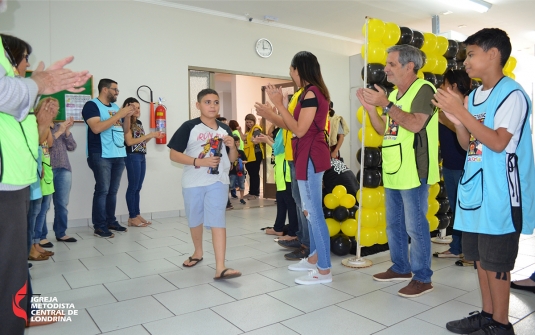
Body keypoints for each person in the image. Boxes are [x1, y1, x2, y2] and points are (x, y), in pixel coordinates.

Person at [433, 28, 535, 335]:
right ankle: (488, 314)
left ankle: (502, 324)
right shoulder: (475, 96)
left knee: (497, 261)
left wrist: (460, 114)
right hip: (475, 190)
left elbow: (498, 143)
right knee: (478, 258)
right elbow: (469, 145)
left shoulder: (513, 94)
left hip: (501, 194)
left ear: (493, 54)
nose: (465, 61)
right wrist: (456, 119)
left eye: (471, 54)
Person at [0, 30, 90, 333]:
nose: (27, 67)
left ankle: (23, 309)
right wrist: (37, 85)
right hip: (6, 183)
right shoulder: (15, 87)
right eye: (24, 61)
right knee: (11, 265)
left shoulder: (21, 95)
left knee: (15, 261)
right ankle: (17, 315)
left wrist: (34, 91)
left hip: (18, 180)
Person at [357, 44, 439, 298]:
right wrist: (373, 109)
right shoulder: (395, 95)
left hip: (414, 170)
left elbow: (415, 124)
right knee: (394, 224)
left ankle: (423, 277)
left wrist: (385, 104)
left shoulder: (424, 90)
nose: (385, 69)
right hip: (394, 169)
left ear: (409, 66)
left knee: (415, 226)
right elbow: (384, 131)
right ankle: (401, 267)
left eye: (391, 64)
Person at [259, 51, 332, 285]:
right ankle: (313, 259)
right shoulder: (307, 94)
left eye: (291, 70)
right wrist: (274, 112)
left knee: (314, 213)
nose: (290, 75)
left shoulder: (313, 93)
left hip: (310, 154)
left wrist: (279, 104)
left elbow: (299, 130)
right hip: (304, 153)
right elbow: (292, 126)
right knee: (310, 211)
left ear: (298, 69)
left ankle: (324, 270)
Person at [168, 88, 241, 280]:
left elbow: (232, 158)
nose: (212, 106)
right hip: (193, 182)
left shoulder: (225, 129)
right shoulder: (189, 126)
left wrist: (233, 146)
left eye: (216, 102)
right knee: (195, 219)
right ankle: (198, 252)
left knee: (218, 220)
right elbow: (173, 154)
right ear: (198, 105)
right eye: (207, 102)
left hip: (218, 181)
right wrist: (198, 162)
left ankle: (220, 267)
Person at [257, 86, 310, 259]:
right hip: (282, 172)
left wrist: (267, 138)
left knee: (295, 205)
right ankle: (284, 230)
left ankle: (297, 236)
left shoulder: (290, 127)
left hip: (288, 171)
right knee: (284, 202)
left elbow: (279, 147)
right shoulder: (282, 128)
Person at [82, 79, 134, 238]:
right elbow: (96, 128)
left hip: (118, 154)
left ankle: (111, 221)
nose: (117, 92)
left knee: (113, 191)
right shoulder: (92, 106)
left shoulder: (115, 107)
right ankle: (99, 226)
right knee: (102, 190)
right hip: (100, 154)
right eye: (115, 89)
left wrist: (127, 118)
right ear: (105, 89)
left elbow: (124, 130)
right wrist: (119, 114)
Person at [432, 70, 471, 264]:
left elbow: (465, 130)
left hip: (463, 166)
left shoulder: (467, 104)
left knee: (466, 210)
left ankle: (470, 251)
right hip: (449, 164)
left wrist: (443, 117)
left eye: (444, 83)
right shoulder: (445, 108)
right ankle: (457, 248)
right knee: (457, 210)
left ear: (454, 86)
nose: (441, 87)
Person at [122, 97, 162, 227]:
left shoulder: (138, 122)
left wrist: (152, 136)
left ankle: (137, 214)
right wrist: (148, 136)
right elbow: (129, 142)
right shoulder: (125, 121)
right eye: (134, 108)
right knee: (133, 187)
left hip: (141, 155)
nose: (137, 110)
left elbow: (141, 141)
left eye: (138, 107)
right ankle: (132, 217)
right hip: (132, 156)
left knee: (137, 188)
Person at [254, 132, 298, 238]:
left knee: (290, 204)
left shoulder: (286, 129)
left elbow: (277, 149)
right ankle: (278, 228)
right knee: (281, 201)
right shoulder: (281, 130)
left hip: (285, 172)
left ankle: (293, 233)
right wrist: (268, 139)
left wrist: (266, 140)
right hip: (280, 172)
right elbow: (278, 145)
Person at [49, 112, 77, 243]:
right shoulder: (39, 127)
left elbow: (72, 146)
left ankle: (61, 233)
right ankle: (40, 237)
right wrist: (59, 131)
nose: (53, 111)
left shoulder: (58, 126)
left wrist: (66, 131)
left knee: (62, 204)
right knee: (43, 206)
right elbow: (45, 145)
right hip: (46, 170)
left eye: (55, 108)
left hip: (64, 169)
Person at [242, 113, 264, 199]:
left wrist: (254, 140)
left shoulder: (256, 129)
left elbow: (258, 140)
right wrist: (240, 130)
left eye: (250, 122)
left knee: (254, 174)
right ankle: (251, 192)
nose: (249, 124)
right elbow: (244, 138)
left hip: (256, 154)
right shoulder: (248, 131)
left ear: (254, 121)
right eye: (247, 122)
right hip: (249, 155)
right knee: (251, 174)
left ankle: (255, 193)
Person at [228, 135, 247, 205]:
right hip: (232, 172)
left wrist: (241, 161)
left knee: (241, 185)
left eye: (238, 142)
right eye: (235, 142)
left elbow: (246, 160)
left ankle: (241, 198)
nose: (237, 143)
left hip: (240, 171)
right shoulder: (230, 152)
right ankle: (227, 199)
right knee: (231, 185)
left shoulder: (241, 152)